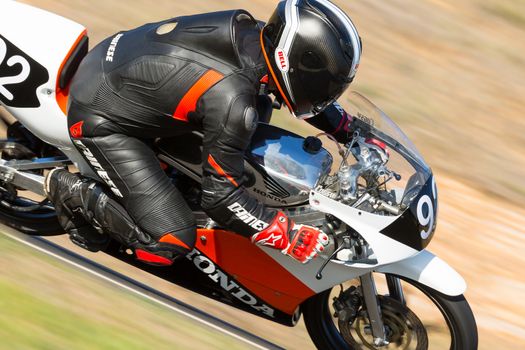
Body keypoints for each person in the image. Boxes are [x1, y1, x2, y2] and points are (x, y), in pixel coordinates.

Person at [45, 0, 362, 266]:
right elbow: (221, 198)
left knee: (255, 116)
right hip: (101, 119)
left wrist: (346, 128)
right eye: (326, 83)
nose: (327, 93)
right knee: (171, 240)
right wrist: (286, 234)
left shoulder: (257, 36)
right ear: (294, 60)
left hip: (119, 67)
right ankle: (72, 190)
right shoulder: (233, 101)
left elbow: (290, 80)